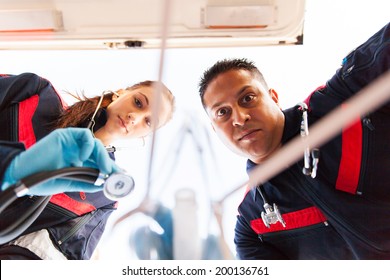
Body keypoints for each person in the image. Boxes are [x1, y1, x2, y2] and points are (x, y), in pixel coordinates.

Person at [198, 22, 390, 259]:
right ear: (214, 129)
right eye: (222, 113)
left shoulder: (342, 100)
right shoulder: (253, 224)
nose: (239, 118)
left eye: (247, 98)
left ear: (273, 97)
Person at [0, 72, 175, 259]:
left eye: (148, 122)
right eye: (138, 103)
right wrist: (12, 166)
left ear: (144, 136)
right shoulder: (36, 93)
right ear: (119, 93)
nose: (135, 117)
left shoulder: (103, 197)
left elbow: (56, 256)